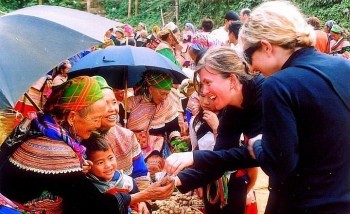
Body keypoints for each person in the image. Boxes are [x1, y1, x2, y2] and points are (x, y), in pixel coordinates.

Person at [166, 1, 350, 213]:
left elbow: (279, 162)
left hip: (301, 203)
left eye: (249, 56)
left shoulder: (278, 85)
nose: (251, 66)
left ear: (266, 46)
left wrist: (259, 145)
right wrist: (179, 179)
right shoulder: (344, 67)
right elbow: (222, 156)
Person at [0, 76, 174, 213]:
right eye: (95, 119)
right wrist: (146, 194)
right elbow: (93, 204)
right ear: (72, 117)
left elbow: (56, 182)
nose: (98, 125)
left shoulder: (43, 128)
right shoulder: (55, 149)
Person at [166, 46, 263, 214]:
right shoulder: (234, 108)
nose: (204, 92)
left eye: (208, 83)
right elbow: (220, 160)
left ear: (232, 80)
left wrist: (193, 157)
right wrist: (175, 181)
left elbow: (261, 154)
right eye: (202, 85)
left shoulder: (266, 95)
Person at [94, 76, 150, 191]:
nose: (112, 109)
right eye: (104, 104)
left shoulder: (127, 136)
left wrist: (143, 200)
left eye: (114, 102)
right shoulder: (80, 141)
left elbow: (140, 175)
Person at [126, 71, 182, 179]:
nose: (165, 97)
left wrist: (177, 142)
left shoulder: (168, 106)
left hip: (158, 152)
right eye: (162, 93)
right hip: (133, 149)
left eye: (167, 93)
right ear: (151, 89)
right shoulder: (131, 103)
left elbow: (173, 129)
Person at [81, 133, 149, 214]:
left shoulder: (127, 181)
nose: (108, 165)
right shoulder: (88, 186)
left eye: (110, 158)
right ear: (88, 164)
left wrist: (142, 203)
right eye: (100, 162)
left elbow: (138, 200)